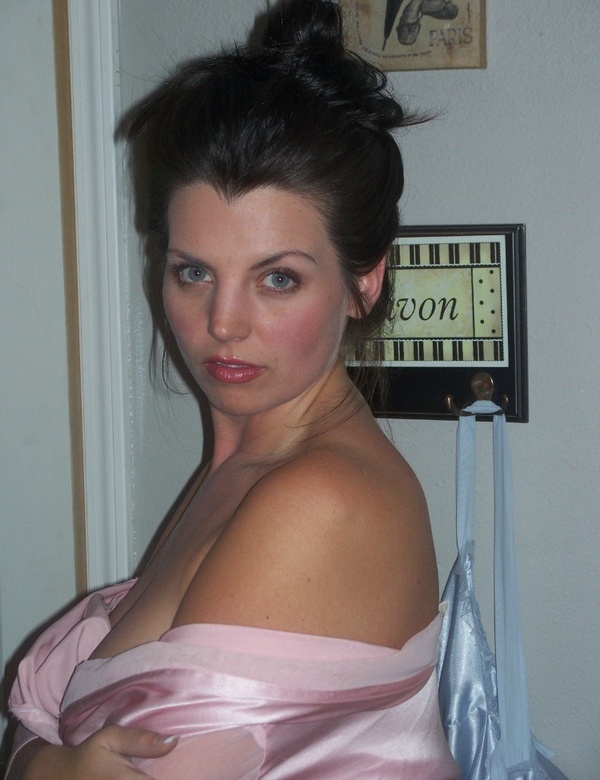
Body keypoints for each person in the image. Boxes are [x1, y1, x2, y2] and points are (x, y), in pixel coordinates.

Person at [6, 1, 458, 777]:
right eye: (193, 272)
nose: (222, 323)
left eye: (277, 279)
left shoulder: (321, 499)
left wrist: (40, 761)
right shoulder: (241, 467)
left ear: (364, 282)